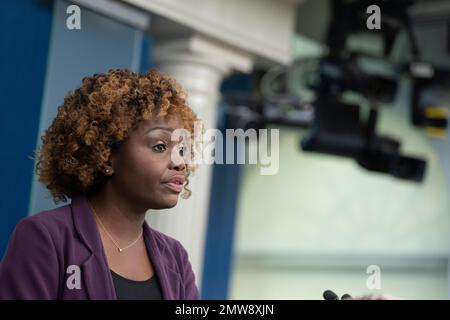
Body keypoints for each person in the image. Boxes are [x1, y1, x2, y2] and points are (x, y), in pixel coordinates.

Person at [0, 69, 201, 300]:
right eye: (159, 146)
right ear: (105, 156)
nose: (180, 163)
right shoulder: (45, 237)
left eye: (182, 149)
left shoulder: (175, 257)